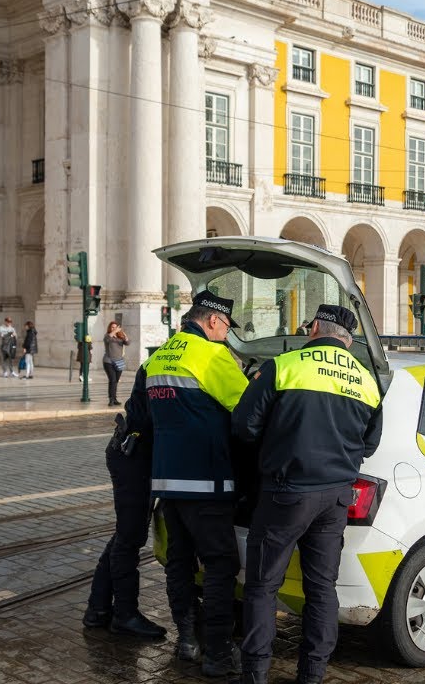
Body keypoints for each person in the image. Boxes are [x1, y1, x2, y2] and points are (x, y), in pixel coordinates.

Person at [232, 305, 383, 684]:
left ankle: (255, 675)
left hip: (286, 493)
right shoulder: (366, 380)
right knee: (321, 588)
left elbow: (244, 427)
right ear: (348, 340)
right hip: (335, 498)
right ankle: (312, 675)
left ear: (315, 327)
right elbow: (370, 444)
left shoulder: (284, 366)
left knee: (263, 586)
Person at [143, 291, 249, 677]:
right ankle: (219, 653)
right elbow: (248, 408)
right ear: (213, 321)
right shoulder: (213, 356)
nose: (226, 337)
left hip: (167, 482)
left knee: (180, 563)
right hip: (208, 481)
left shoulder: (160, 356)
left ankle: (187, 640)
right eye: (225, 329)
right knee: (221, 565)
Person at [81, 364, 165, 639]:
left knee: (125, 536)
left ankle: (98, 610)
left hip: (132, 453)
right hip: (133, 455)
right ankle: (125, 615)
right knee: (130, 537)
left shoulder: (162, 359)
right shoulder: (180, 362)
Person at [103, 321, 129, 406]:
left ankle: (114, 398)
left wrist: (125, 336)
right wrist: (115, 331)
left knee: (116, 381)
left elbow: (127, 343)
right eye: (112, 327)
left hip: (119, 362)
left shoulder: (120, 337)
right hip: (108, 361)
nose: (114, 329)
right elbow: (107, 339)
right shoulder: (108, 336)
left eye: (115, 327)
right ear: (110, 328)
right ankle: (111, 399)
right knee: (112, 380)